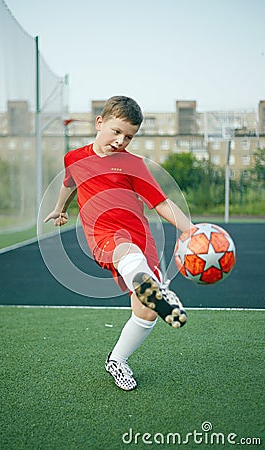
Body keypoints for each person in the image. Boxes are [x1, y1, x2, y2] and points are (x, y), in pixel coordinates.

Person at [45, 96, 194, 391]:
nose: (121, 140)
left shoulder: (134, 164)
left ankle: (117, 359)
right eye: (116, 131)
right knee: (125, 249)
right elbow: (69, 182)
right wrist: (60, 208)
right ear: (100, 123)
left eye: (129, 137)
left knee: (147, 311)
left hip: (141, 236)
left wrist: (190, 229)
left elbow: (160, 202)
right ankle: (153, 286)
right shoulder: (74, 158)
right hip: (103, 235)